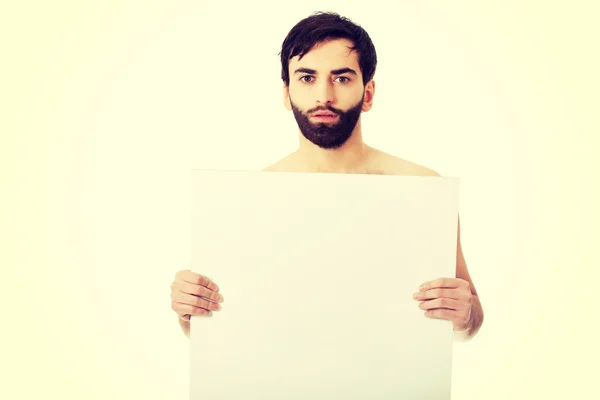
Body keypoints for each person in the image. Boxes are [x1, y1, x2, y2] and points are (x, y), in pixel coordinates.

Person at [170, 11, 484, 341]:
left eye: (342, 78)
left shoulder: (423, 189)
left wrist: (464, 314)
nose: (324, 96)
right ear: (286, 93)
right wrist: (189, 311)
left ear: (369, 93)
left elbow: (469, 321)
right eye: (307, 78)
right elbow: (224, 327)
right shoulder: (250, 198)